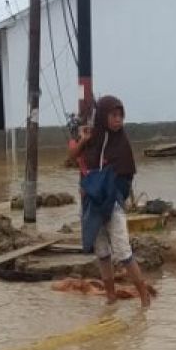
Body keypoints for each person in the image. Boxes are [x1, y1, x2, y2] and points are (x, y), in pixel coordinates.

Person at [68, 95, 152, 307]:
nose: (118, 120)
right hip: (92, 204)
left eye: (120, 115)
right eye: (113, 115)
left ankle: (145, 299)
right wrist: (84, 141)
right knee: (103, 253)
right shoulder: (92, 138)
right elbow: (71, 158)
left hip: (112, 204)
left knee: (123, 251)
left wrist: (111, 191)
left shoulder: (122, 143)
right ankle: (110, 298)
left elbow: (126, 178)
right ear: (104, 116)